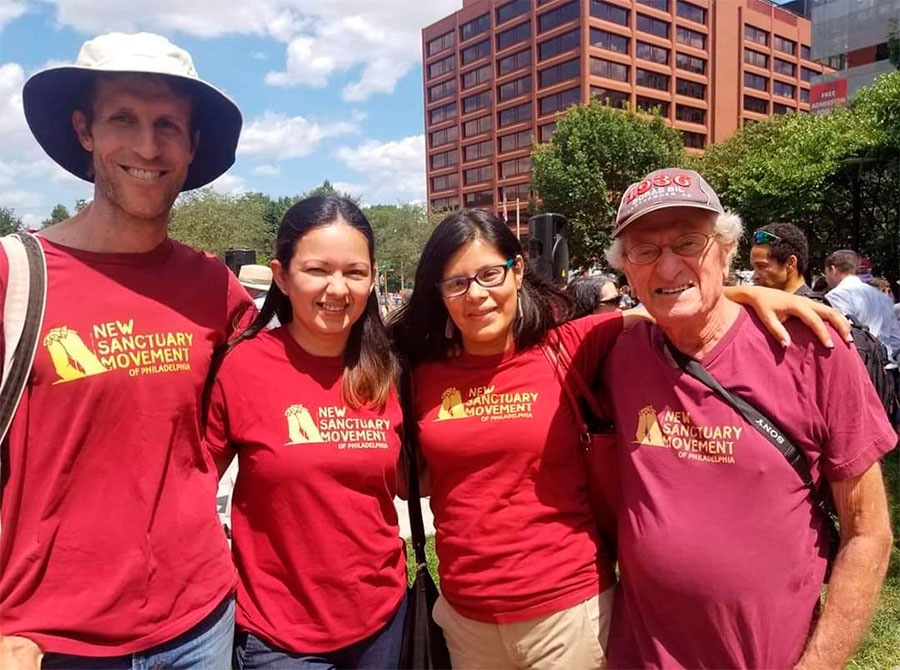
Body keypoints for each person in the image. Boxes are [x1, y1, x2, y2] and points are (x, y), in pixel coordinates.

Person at [388, 208, 847, 670]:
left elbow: (663, 306)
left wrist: (747, 293)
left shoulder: (567, 347)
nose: (477, 295)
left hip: (567, 615)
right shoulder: (418, 373)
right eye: (457, 283)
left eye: (491, 274)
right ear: (439, 292)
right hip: (467, 619)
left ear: (518, 270)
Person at [0, 32, 251, 669]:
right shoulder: (14, 275)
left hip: (201, 623)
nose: (147, 147)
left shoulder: (212, 287)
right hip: (46, 639)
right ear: (83, 129)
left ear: (192, 145)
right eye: (123, 118)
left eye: (168, 125)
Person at [602, 168, 894, 669]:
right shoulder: (614, 353)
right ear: (625, 269)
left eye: (688, 243)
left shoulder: (814, 351)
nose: (667, 266)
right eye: (644, 251)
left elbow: (868, 531)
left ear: (726, 250)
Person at [205, 196, 408, 670]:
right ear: (281, 275)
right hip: (280, 637)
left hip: (382, 620)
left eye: (355, 272)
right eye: (317, 270)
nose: (337, 288)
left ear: (372, 278)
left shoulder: (389, 368)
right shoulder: (242, 367)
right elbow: (193, 487)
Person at [825, 249, 900, 360]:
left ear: (833, 269)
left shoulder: (836, 296)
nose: (826, 278)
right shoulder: (883, 298)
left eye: (826, 273)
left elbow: (844, 335)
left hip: (859, 363)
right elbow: (896, 338)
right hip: (886, 364)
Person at [750, 222, 817, 297]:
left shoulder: (811, 304)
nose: (754, 276)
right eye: (754, 268)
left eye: (761, 266)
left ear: (790, 263)